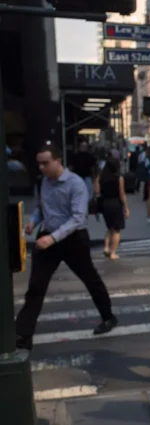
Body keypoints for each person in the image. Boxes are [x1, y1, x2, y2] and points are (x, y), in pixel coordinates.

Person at [15, 145, 118, 350]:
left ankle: (108, 316)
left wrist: (52, 238)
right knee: (36, 286)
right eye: (39, 164)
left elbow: (77, 218)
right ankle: (23, 335)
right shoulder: (43, 182)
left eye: (46, 163)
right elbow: (40, 208)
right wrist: (33, 222)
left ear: (58, 161)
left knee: (90, 278)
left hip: (73, 239)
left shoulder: (76, 184)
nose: (42, 167)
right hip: (48, 236)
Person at [95, 157, 130, 259]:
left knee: (109, 227)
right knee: (117, 230)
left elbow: (97, 191)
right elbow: (122, 194)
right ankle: (113, 252)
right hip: (115, 203)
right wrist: (126, 207)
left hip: (104, 203)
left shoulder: (100, 177)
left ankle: (106, 247)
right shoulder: (119, 178)